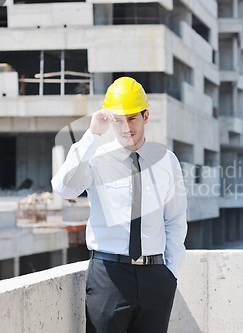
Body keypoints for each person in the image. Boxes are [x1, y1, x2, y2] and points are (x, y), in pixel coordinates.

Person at [51, 76, 188, 333]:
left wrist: (171, 273)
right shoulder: (97, 158)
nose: (126, 127)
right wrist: (92, 135)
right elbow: (63, 187)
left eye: (132, 118)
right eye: (118, 120)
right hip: (108, 276)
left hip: (155, 277)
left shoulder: (167, 161)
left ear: (146, 116)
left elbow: (175, 218)